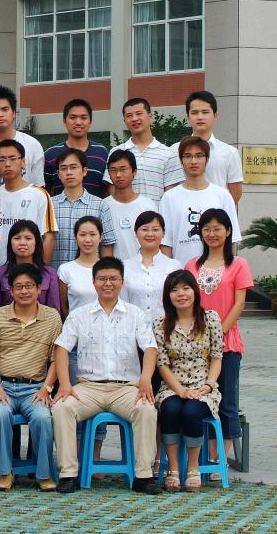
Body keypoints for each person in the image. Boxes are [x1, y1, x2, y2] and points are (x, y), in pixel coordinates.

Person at [51, 257, 161, 495]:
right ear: (94, 282)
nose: (108, 283)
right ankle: (68, 474)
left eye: (113, 278)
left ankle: (143, 476)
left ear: (122, 281)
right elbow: (61, 348)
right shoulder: (79, 315)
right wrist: (65, 384)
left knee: (146, 409)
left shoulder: (135, 314)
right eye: (102, 279)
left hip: (126, 388)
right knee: (61, 407)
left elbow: (150, 348)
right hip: (89, 388)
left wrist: (145, 380)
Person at [0, 262, 62, 492]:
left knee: (43, 418)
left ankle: (43, 474)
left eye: (29, 286)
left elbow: (56, 359)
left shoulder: (52, 318)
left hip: (35, 388)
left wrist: (46, 389)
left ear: (39, 288)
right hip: (2, 385)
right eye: (19, 286)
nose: (24, 291)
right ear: (11, 290)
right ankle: (5, 472)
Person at [185, 207, 251, 461]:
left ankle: (218, 460)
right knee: (201, 399)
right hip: (195, 344)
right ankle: (200, 456)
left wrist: (218, 333)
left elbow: (239, 303)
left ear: (228, 231)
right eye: (206, 229)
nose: (212, 234)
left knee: (227, 402)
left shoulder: (238, 264)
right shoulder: (192, 265)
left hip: (227, 343)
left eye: (217, 229)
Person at [154, 269, 224, 492]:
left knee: (192, 411)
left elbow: (217, 357)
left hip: (204, 387)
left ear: (195, 291)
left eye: (186, 288)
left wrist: (208, 385)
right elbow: (162, 364)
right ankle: (173, 468)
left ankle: (193, 468)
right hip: (172, 387)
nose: (181, 294)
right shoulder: (160, 324)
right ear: (168, 296)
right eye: (174, 290)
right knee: (170, 409)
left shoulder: (210, 318)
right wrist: (181, 391)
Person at [161, 136, 242, 265]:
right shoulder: (169, 198)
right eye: (188, 156)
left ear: (207, 159)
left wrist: (227, 270)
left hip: (216, 272)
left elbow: (231, 239)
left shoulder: (222, 195)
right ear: (181, 160)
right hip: (181, 272)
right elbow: (165, 243)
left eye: (199, 156)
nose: (193, 161)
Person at [0, 140, 57, 267]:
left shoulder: (39, 195)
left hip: (31, 270)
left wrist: (42, 270)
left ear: (23, 162)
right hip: (0, 270)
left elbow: (49, 236)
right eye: (2, 160)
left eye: (13, 158)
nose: (7, 164)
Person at [103, 98, 182, 202]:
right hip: (125, 212)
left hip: (156, 212)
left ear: (150, 116)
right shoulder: (116, 151)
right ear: (124, 121)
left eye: (139, 113)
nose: (134, 119)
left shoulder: (168, 153)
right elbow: (112, 188)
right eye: (129, 115)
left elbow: (171, 194)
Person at [50, 147, 116, 268]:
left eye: (73, 167)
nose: (69, 172)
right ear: (58, 174)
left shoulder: (100, 205)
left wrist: (104, 272)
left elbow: (107, 244)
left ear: (84, 171)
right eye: (64, 168)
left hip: (90, 275)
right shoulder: (48, 205)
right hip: (56, 275)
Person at [175, 90, 242, 202]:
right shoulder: (174, 150)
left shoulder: (230, 153)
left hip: (217, 211)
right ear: (188, 117)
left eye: (205, 112)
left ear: (215, 116)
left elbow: (236, 192)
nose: (200, 117)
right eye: (194, 113)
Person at [121, 211, 182, 321]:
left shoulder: (174, 266)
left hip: (166, 327)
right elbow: (123, 303)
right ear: (135, 233)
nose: (150, 234)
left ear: (163, 233)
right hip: (134, 327)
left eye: (155, 229)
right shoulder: (125, 267)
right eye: (144, 229)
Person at [43, 99, 109, 197]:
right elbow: (45, 190)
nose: (78, 122)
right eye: (73, 117)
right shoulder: (51, 154)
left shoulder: (102, 152)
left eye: (83, 118)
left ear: (90, 122)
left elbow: (106, 188)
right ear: (64, 121)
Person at [0, 220, 61, 313]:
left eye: (28, 238)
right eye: (17, 238)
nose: (22, 242)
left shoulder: (49, 274)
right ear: (10, 242)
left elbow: (54, 310)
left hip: (42, 322)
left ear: (36, 242)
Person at [102, 150, 157, 260]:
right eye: (113, 170)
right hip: (114, 269)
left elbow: (156, 241)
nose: (118, 175)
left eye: (123, 169)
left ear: (134, 172)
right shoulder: (103, 206)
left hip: (144, 267)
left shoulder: (147, 205)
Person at [59, 216, 113, 319]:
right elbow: (64, 307)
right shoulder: (65, 270)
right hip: (76, 326)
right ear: (75, 237)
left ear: (100, 237)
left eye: (92, 234)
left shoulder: (110, 269)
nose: (87, 240)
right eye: (83, 235)